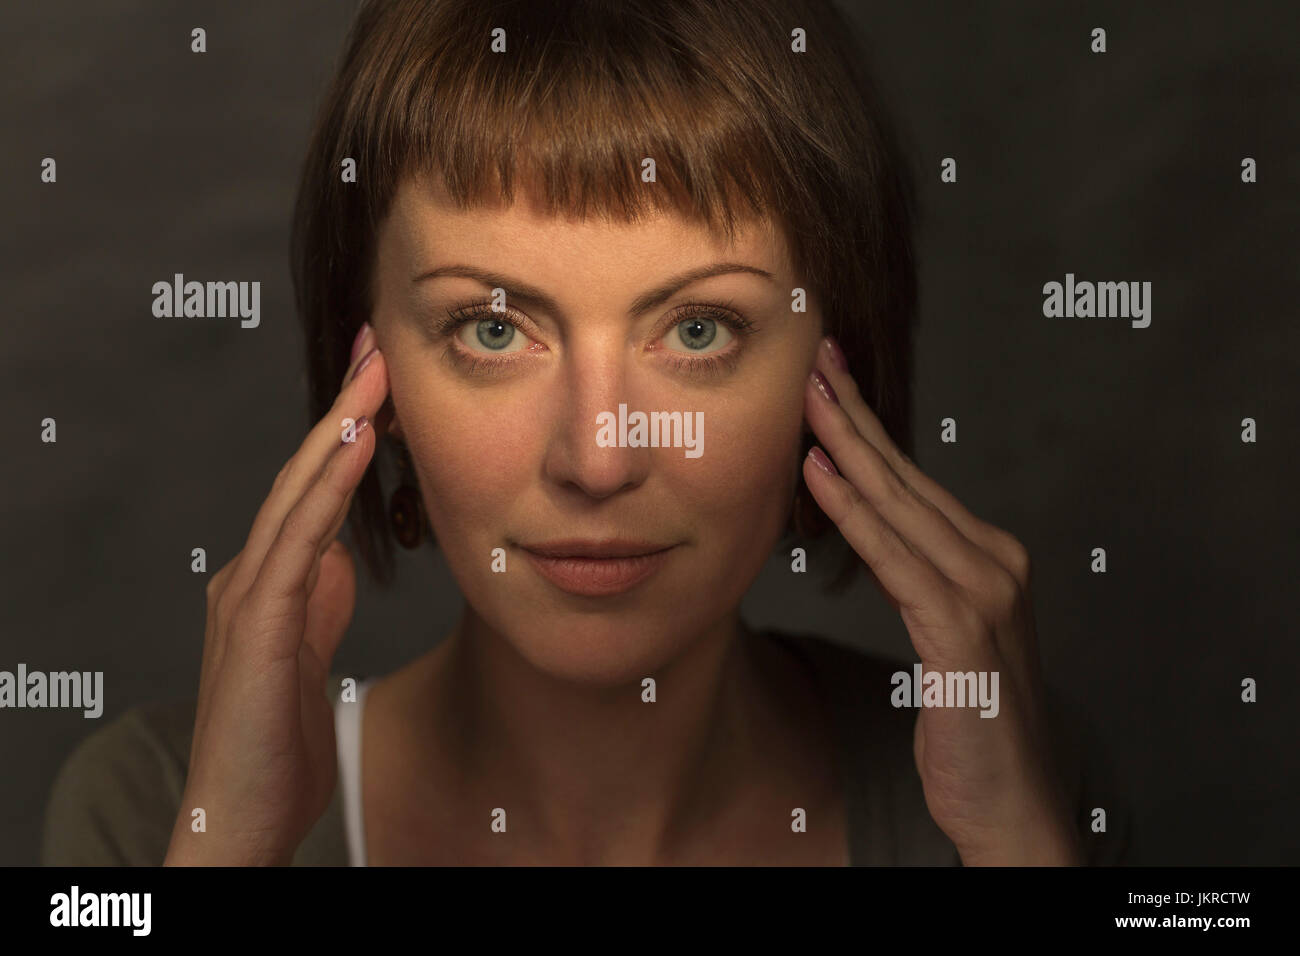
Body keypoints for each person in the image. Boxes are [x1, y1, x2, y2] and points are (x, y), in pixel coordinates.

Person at [42, 0, 1128, 866]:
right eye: (493, 327)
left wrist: (1023, 851)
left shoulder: (1014, 785)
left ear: (828, 365)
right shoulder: (147, 814)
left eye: (697, 329)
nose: (598, 457)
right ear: (365, 377)